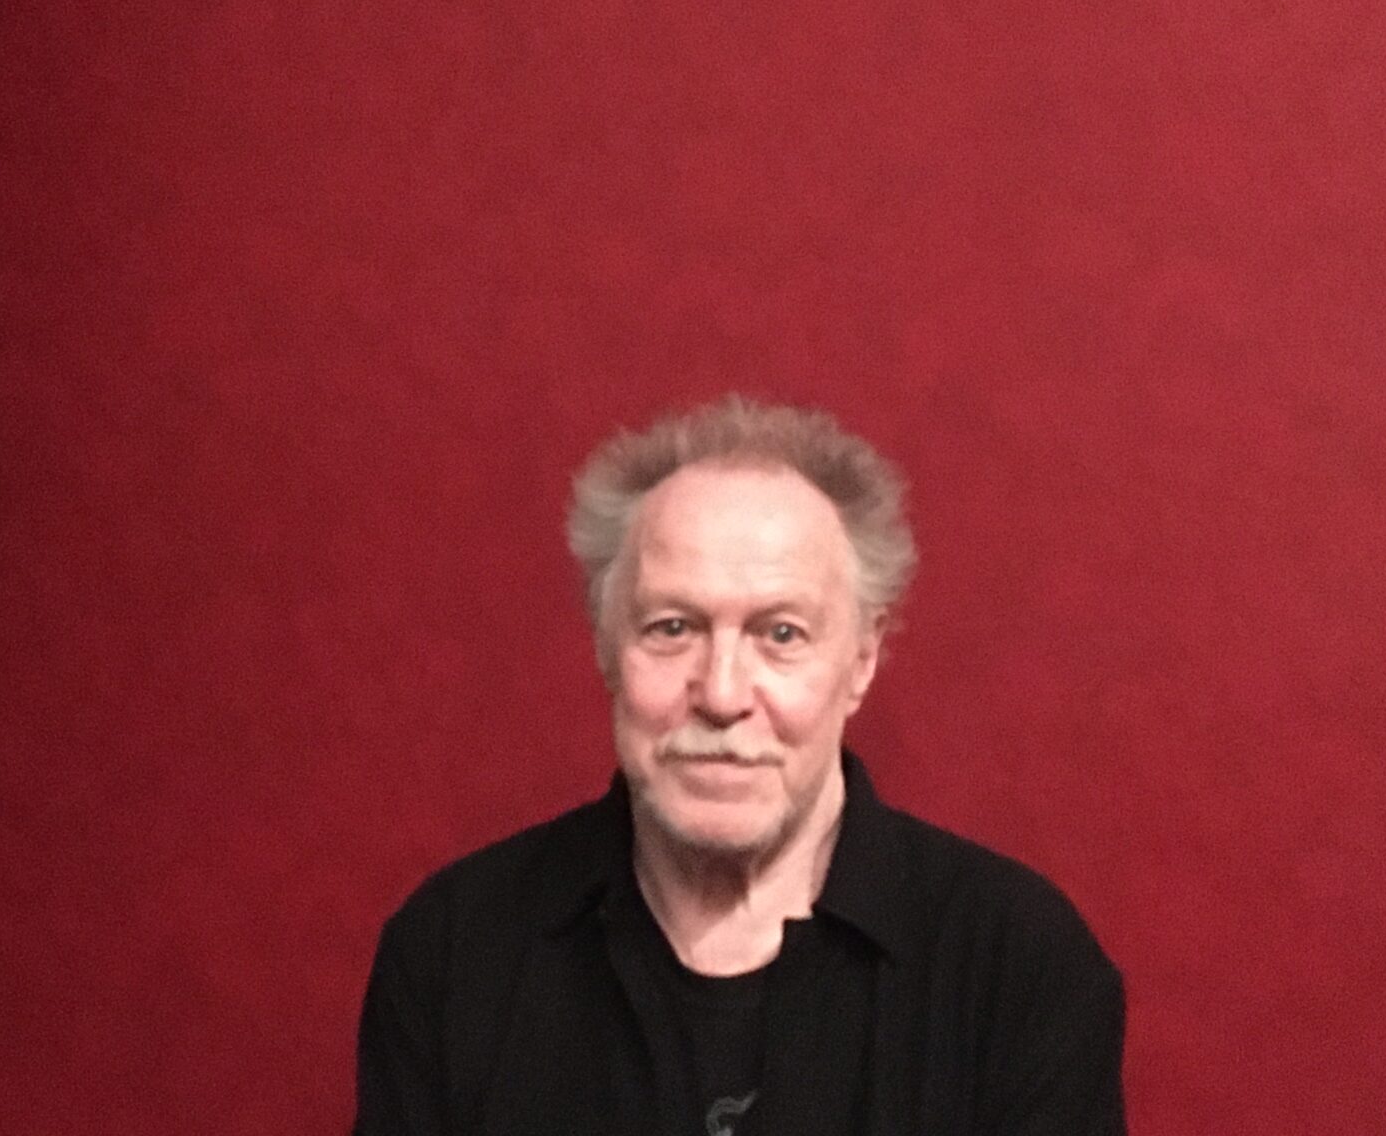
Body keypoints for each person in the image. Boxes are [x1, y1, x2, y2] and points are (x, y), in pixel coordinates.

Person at [355, 397, 1126, 1136]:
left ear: (861, 660)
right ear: (605, 646)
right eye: (672, 628)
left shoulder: (1018, 969)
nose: (721, 695)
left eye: (780, 634)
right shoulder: (456, 952)